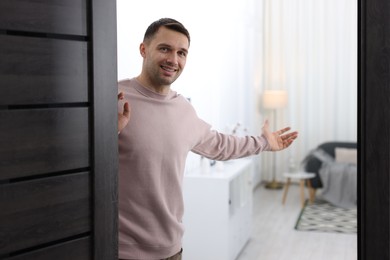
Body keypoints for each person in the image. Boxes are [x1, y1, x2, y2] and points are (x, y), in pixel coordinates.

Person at [117, 18, 298, 260]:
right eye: (164, 49)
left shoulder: (183, 109)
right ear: (143, 49)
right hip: (121, 250)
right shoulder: (115, 96)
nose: (174, 59)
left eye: (182, 53)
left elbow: (220, 145)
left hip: (171, 250)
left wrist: (264, 143)